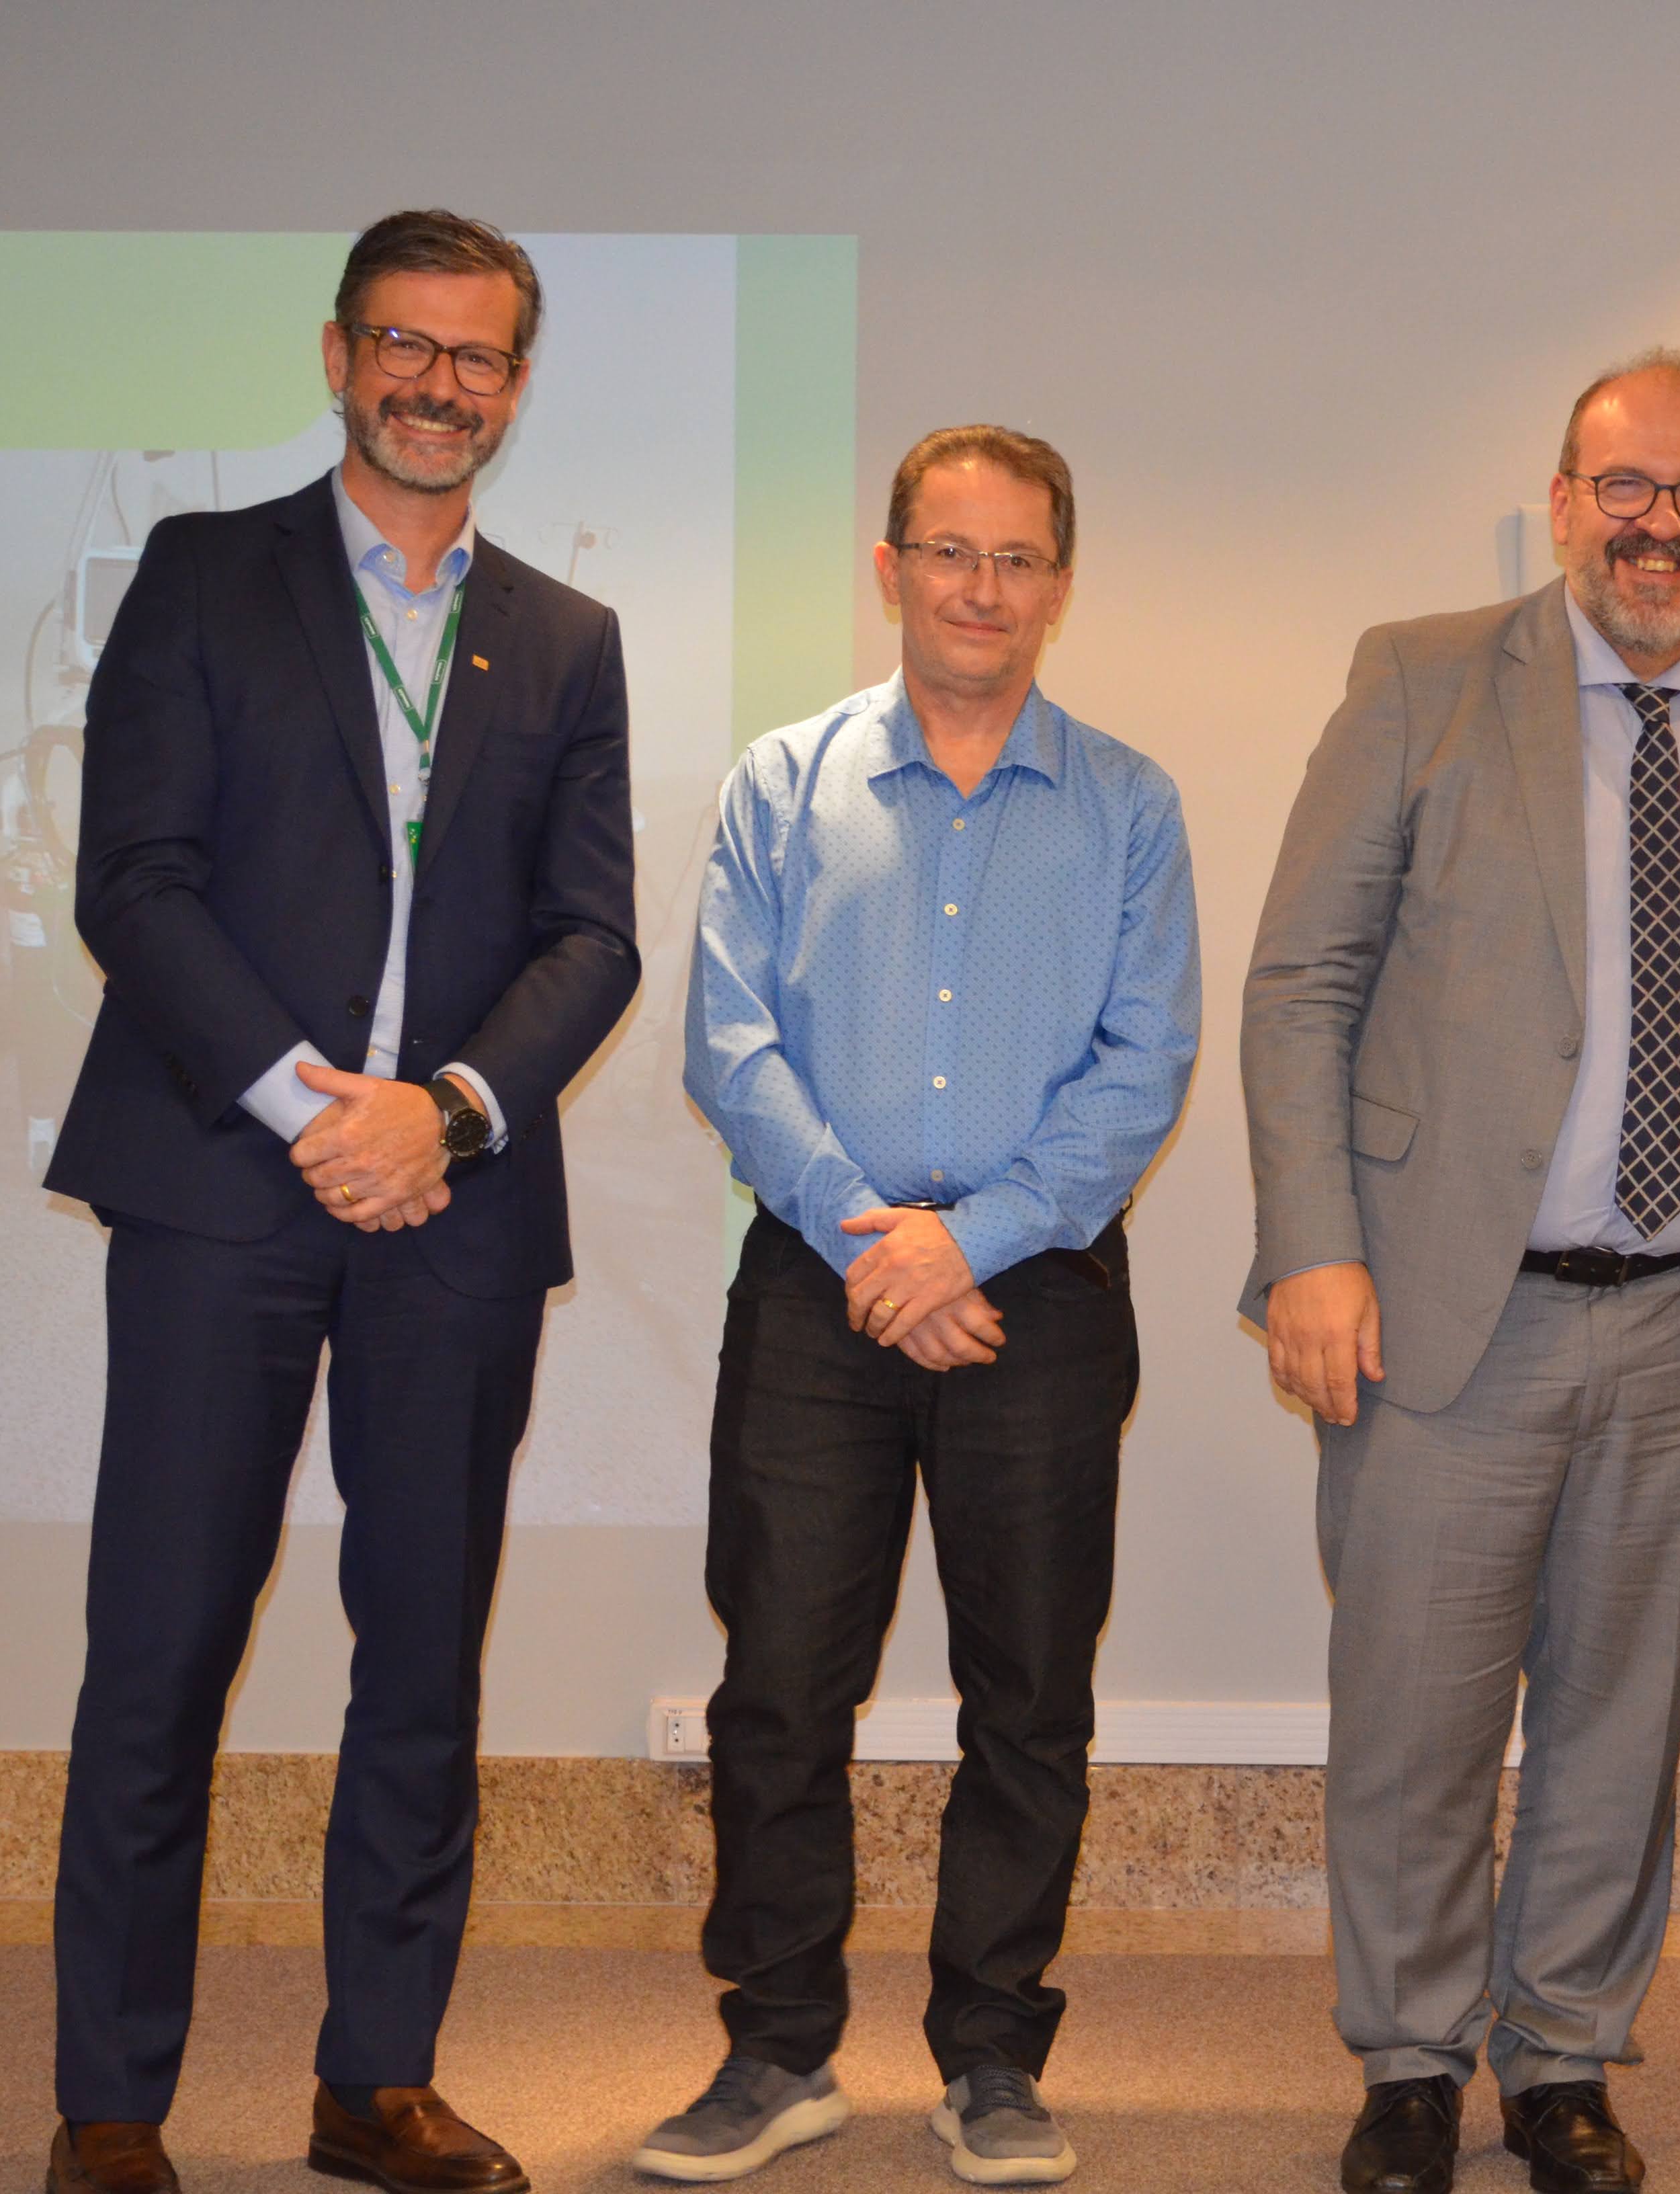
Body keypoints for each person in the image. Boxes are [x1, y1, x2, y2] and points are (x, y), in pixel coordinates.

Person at [42, 211, 638, 2194]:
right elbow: (133, 880)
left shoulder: (566, 636)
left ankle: (375, 2080)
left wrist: (443, 1117)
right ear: (339, 355)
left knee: (422, 1658)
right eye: (405, 344)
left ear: (515, 387)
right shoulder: (203, 575)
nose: (437, 386)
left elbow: (595, 936)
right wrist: (319, 1110)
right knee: (161, 1647)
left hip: (453, 1210)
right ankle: (110, 2103)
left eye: (477, 358)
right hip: (225, 1184)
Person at [1245, 350, 1680, 2194]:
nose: (1662, 528)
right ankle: (1410, 2060)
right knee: (1416, 1719)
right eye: (1628, 488)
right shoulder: (1421, 678)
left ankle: (1566, 2058)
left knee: (1617, 1718)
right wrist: (1312, 1251)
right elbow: (1302, 983)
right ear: (1566, 498)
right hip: (1450, 1307)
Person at [646, 425, 1200, 2189]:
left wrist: (969, 1247)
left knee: (1027, 1692)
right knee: (778, 1684)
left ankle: (992, 2057)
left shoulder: (1129, 806)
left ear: (1059, 585)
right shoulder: (781, 783)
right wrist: (876, 1242)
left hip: (1038, 1295)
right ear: (890, 569)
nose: (983, 588)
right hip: (818, 1290)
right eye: (951, 553)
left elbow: (1142, 1065)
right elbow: (728, 1041)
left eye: (1018, 558)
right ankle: (777, 2048)